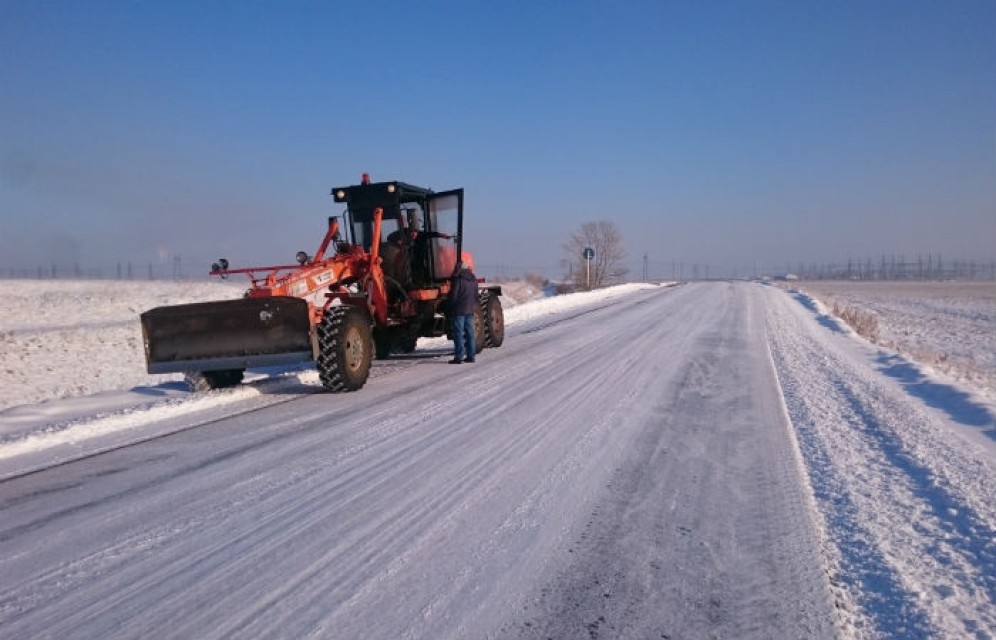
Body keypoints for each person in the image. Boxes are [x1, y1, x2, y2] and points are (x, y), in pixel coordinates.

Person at [448, 263, 478, 364]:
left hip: (459, 310)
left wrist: (450, 306)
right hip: (470, 309)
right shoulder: (473, 279)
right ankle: (471, 356)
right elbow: (475, 295)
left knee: (458, 334)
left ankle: (459, 357)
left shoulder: (458, 280)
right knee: (470, 333)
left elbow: (454, 296)